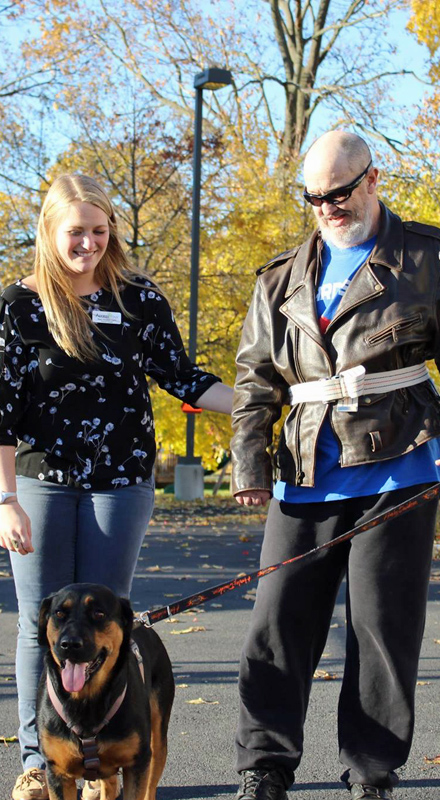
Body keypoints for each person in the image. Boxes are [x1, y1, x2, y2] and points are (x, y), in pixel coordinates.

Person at [0, 174, 233, 800]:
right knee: (40, 624)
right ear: (50, 229)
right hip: (40, 480)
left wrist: (258, 405)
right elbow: (0, 410)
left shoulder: (138, 298)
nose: (89, 243)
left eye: (100, 231)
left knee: (107, 625)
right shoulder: (20, 305)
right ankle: (38, 761)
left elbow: (181, 376)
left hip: (121, 481)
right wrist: (5, 502)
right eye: (76, 231)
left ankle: (104, 759)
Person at [230, 130, 440, 800]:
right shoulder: (281, 278)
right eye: (313, 196)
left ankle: (372, 768)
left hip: (399, 466)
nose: (325, 206)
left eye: (338, 193)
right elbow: (255, 380)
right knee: (276, 621)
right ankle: (264, 765)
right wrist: (250, 466)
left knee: (382, 627)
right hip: (306, 469)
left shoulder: (422, 258)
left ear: (372, 180)